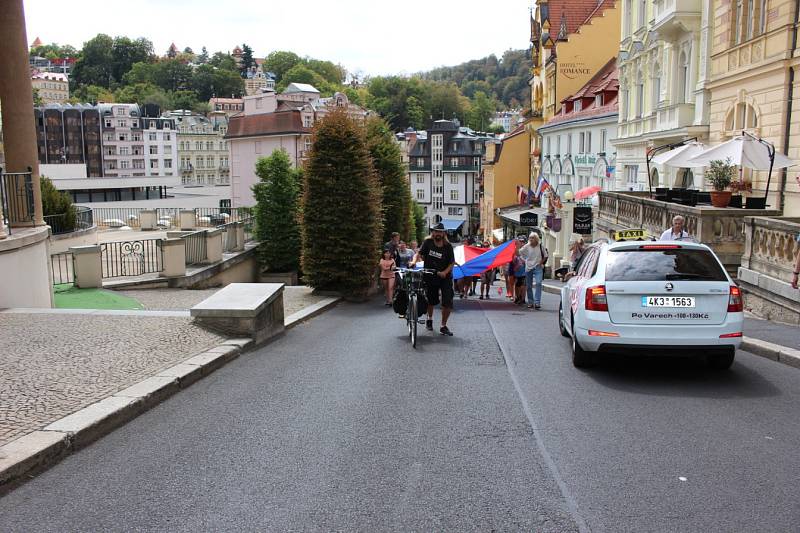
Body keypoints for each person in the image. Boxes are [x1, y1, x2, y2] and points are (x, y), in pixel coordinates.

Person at [412, 223, 456, 336]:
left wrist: (445, 272)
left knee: (447, 302)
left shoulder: (448, 246)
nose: (438, 234)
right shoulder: (428, 243)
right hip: (430, 275)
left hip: (444, 277)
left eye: (440, 232)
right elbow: (418, 254)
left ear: (443, 233)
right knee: (431, 301)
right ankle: (429, 319)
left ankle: (443, 325)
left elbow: (452, 263)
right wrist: (413, 262)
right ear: (433, 232)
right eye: (436, 231)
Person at [519, 233, 547, 309]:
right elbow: (520, 252)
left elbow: (545, 256)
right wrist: (524, 260)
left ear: (536, 239)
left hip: (538, 267)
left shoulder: (540, 246)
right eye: (530, 238)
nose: (531, 239)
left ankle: (537, 302)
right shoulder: (527, 246)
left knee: (538, 283)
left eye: (533, 238)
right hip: (528, 268)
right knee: (528, 286)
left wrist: (540, 263)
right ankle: (531, 302)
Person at [512, 237, 527, 305]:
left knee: (523, 285)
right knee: (517, 284)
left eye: (523, 242)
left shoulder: (527, 250)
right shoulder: (516, 250)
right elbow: (513, 260)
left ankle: (522, 298)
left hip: (525, 270)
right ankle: (517, 297)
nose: (521, 243)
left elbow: (529, 260)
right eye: (520, 242)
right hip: (517, 271)